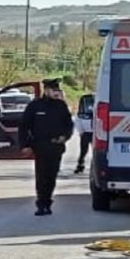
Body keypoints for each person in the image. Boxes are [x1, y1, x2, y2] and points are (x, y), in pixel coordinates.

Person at [19, 78, 74, 216]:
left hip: (56, 147)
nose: (56, 92)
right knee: (41, 176)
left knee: (51, 177)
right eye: (53, 90)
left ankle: (48, 202)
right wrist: (24, 145)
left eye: (57, 90)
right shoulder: (35, 106)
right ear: (46, 90)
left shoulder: (61, 106)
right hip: (40, 146)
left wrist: (65, 137)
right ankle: (41, 204)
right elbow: (24, 126)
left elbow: (69, 125)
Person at [74, 94, 95, 174]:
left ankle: (94, 166)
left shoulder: (93, 113)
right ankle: (80, 165)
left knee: (95, 151)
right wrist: (81, 131)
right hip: (86, 133)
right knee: (83, 151)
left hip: (93, 134)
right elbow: (78, 122)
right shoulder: (81, 113)